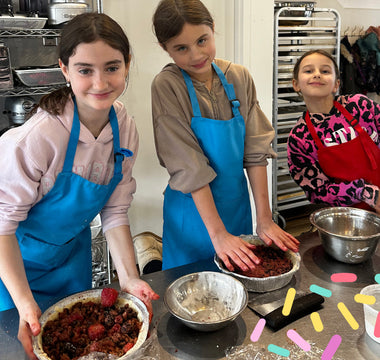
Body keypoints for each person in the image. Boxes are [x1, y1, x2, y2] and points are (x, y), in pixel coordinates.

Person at [0, 12, 159, 360]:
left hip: (72, 258)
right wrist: (25, 304)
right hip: (14, 268)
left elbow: (115, 210)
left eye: (112, 67)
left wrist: (129, 278)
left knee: (81, 348)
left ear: (128, 65)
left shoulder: (124, 128)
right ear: (64, 69)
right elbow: (2, 229)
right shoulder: (37, 140)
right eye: (85, 70)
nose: (100, 82)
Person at [151, 0, 299, 272]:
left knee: (238, 287)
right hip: (192, 217)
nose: (196, 55)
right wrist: (217, 234)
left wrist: (264, 219)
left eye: (202, 40)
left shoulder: (239, 77)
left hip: (235, 211)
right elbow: (189, 166)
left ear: (212, 29)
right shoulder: (167, 86)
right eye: (181, 48)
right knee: (192, 294)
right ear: (165, 48)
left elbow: (255, 152)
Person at [287, 49, 380, 213]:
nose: (317, 74)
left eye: (325, 71)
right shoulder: (299, 137)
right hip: (349, 216)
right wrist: (364, 192)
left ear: (336, 84)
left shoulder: (359, 106)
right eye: (309, 71)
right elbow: (318, 191)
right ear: (296, 84)